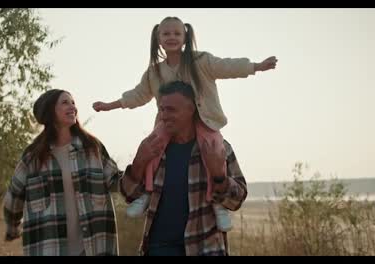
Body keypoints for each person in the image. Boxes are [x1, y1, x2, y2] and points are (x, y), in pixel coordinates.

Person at [93, 16, 276, 231]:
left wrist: (256, 66)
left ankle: (218, 205)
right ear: (158, 39)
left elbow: (227, 66)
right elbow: (138, 95)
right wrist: (110, 105)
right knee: (152, 147)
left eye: (176, 33)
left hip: (205, 120)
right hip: (168, 123)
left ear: (185, 37)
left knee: (215, 151)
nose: (171, 37)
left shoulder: (201, 62)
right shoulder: (155, 72)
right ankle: (146, 194)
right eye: (166, 33)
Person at [119, 81, 248, 256]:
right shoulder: (153, 146)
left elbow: (237, 201)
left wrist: (219, 176)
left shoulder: (217, 148)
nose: (164, 116)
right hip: (159, 248)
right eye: (162, 109)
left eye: (171, 109)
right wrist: (139, 161)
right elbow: (129, 195)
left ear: (192, 109)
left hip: (205, 247)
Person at [3, 89, 121, 256]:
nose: (72, 107)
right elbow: (14, 195)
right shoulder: (32, 157)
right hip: (49, 249)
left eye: (73, 102)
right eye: (65, 102)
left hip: (94, 247)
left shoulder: (92, 148)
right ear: (50, 111)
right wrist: (12, 227)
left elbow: (116, 180)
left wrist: (140, 169)